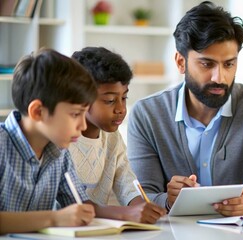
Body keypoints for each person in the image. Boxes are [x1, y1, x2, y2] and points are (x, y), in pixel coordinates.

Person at [127, 1, 243, 216]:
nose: (219, 77)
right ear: (180, 63)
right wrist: (168, 199)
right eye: (207, 64)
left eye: (229, 64)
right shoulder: (147, 114)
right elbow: (144, 194)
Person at [0, 49, 97, 234]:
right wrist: (55, 218)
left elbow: (77, 205)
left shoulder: (61, 153)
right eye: (76, 114)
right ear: (37, 111)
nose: (83, 125)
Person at [69, 47, 166, 222]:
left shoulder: (112, 138)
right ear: (80, 97)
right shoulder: (64, 139)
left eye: (124, 98)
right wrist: (124, 213)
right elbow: (69, 201)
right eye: (110, 101)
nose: (121, 109)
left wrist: (141, 206)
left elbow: (126, 182)